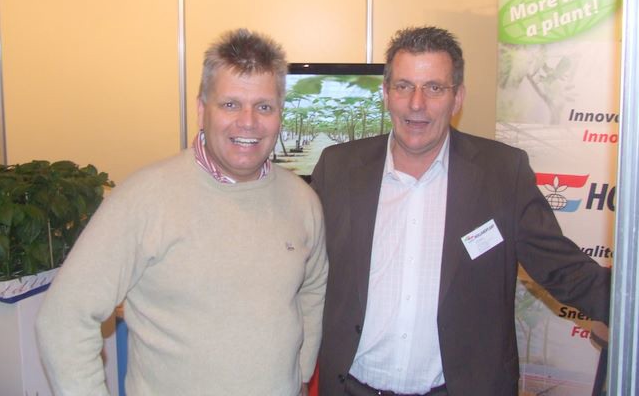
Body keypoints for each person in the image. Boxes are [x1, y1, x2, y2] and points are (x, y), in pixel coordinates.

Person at [310, 26, 610, 396]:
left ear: (457, 98)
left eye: (434, 88)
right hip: (352, 387)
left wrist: (627, 303)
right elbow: (298, 266)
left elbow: (563, 269)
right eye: (403, 86)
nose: (416, 103)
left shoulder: (503, 173)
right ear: (386, 93)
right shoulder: (338, 169)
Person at [36, 28, 328, 396]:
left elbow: (312, 290)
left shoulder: (303, 201)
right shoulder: (145, 198)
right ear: (202, 110)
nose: (248, 121)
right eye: (230, 104)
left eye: (264, 106)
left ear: (279, 114)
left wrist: (301, 375)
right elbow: (63, 318)